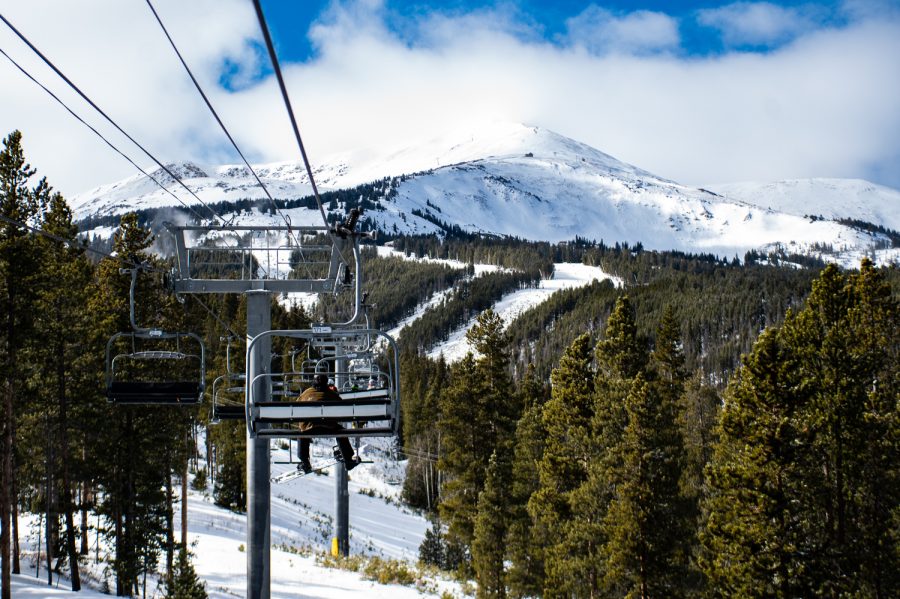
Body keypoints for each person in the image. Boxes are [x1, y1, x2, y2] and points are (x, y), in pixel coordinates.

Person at [297, 373, 360, 473]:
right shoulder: (332, 394)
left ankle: (305, 462)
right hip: (329, 427)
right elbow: (343, 408)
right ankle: (348, 460)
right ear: (326, 383)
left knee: (301, 432)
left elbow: (297, 408)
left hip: (309, 428)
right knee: (341, 431)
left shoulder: (306, 393)